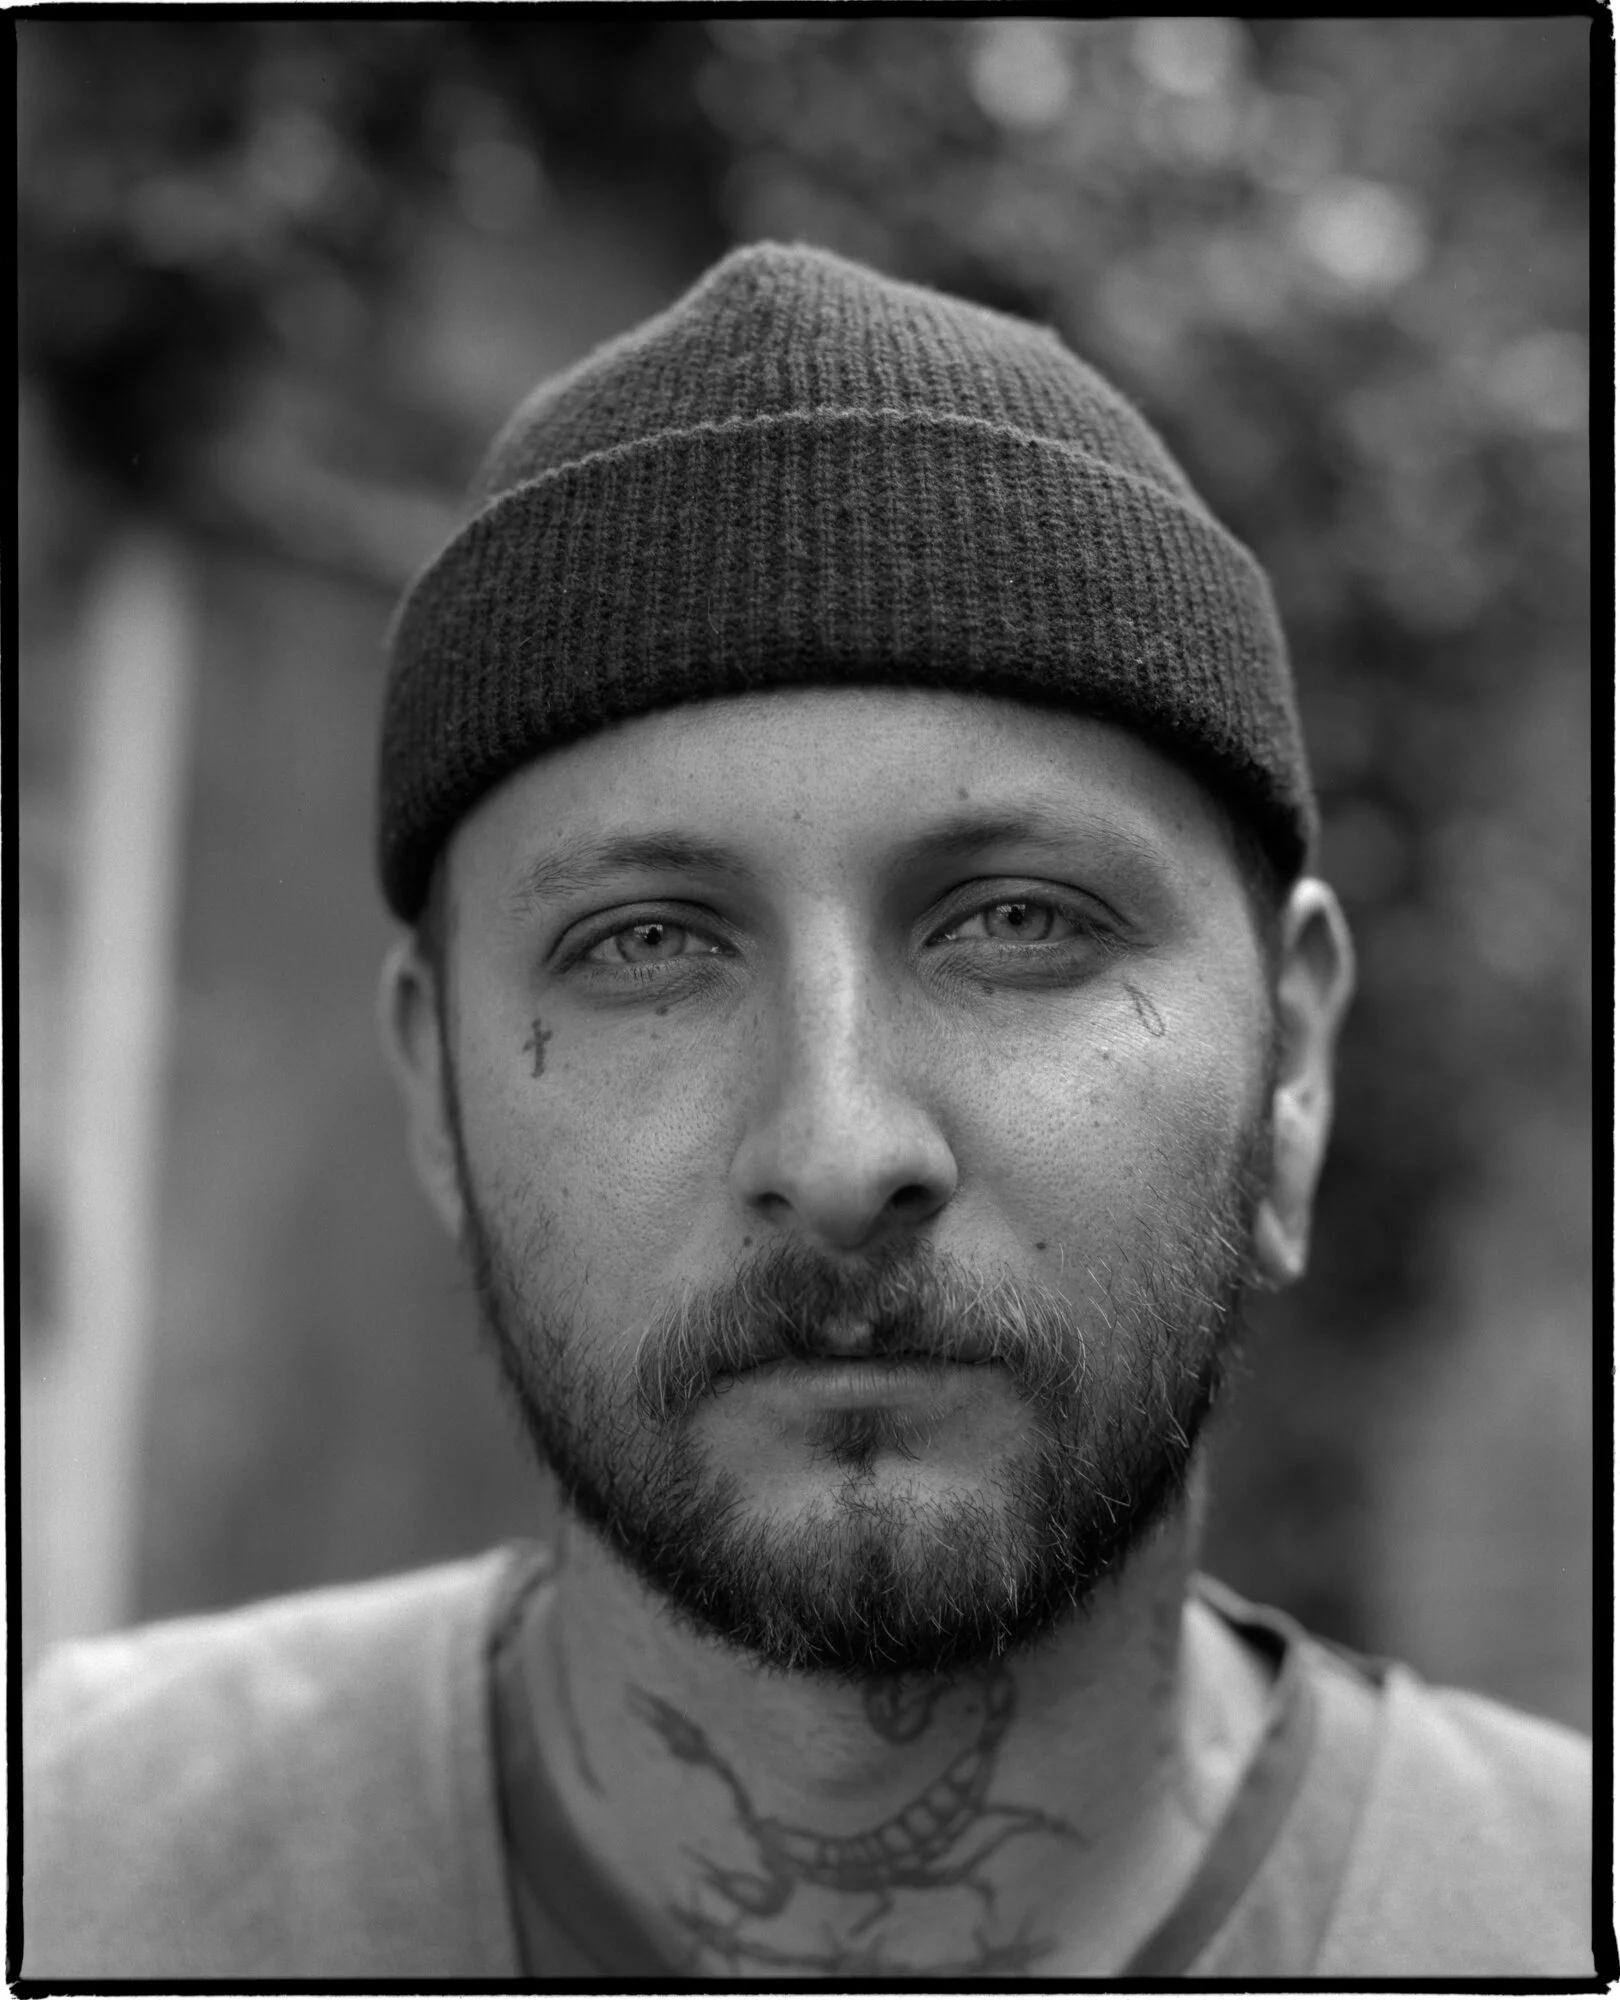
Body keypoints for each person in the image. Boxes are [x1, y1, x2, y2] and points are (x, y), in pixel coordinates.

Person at [23, 242, 1596, 1981]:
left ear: (1290, 1062)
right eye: (645, 945)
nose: (841, 1152)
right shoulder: (66, 1872)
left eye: (1020, 922)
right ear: (437, 1093)